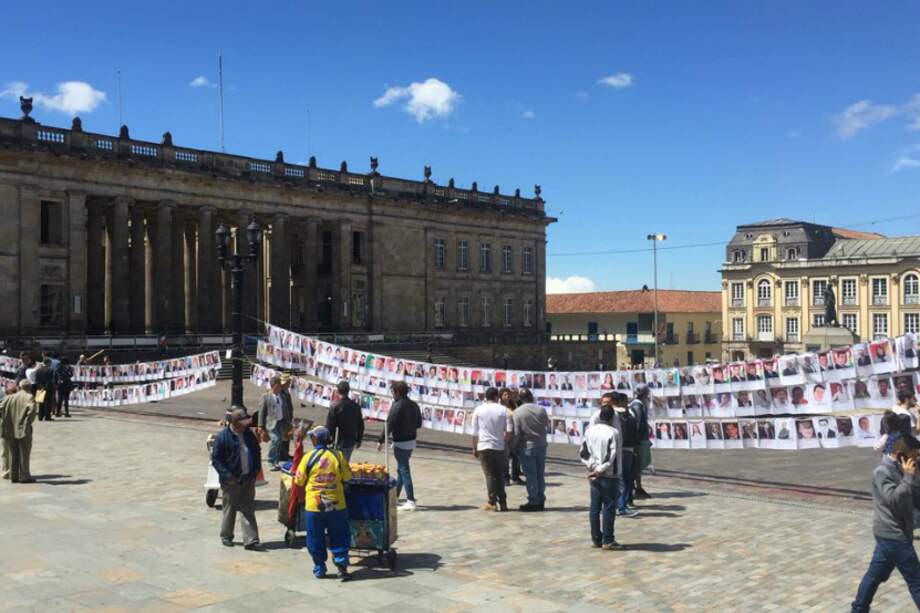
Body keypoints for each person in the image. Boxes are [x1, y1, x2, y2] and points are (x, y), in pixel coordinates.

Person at [851, 432, 920, 611]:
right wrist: (908, 477)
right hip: (893, 535)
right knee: (916, 581)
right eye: (913, 456)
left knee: (874, 576)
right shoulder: (882, 472)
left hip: (892, 534)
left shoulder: (903, 468)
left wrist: (913, 476)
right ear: (900, 454)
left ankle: (858, 609)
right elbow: (893, 499)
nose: (916, 460)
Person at [294, 426, 352, 580]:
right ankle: (342, 566)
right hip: (337, 505)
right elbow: (347, 477)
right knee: (340, 535)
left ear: (315, 439)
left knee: (315, 537)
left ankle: (319, 567)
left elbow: (298, 480)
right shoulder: (338, 456)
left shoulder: (308, 457)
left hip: (314, 506)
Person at [210, 409, 263, 550]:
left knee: (248, 508)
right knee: (230, 508)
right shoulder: (223, 437)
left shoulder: (248, 434)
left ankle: (251, 539)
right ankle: (226, 536)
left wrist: (255, 470)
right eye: (243, 421)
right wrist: (227, 476)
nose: (246, 424)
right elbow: (216, 459)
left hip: (248, 477)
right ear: (235, 423)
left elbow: (256, 451)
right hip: (230, 480)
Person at [581, 404, 624, 550]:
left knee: (595, 507)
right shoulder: (613, 432)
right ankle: (608, 540)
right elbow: (611, 456)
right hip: (609, 474)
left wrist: (592, 467)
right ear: (612, 418)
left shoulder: (589, 431)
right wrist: (599, 469)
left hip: (594, 473)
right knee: (609, 507)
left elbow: (583, 453)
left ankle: (596, 538)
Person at [377, 381, 422, 511]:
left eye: (392, 392)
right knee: (401, 470)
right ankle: (395, 497)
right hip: (411, 441)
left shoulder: (397, 405)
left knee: (404, 470)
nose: (392, 394)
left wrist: (381, 440)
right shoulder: (414, 405)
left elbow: (389, 424)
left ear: (397, 392)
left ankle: (410, 500)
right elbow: (419, 423)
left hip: (400, 442)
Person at [472, 387, 512, 512]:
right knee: (500, 475)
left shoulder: (478, 410)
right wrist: (504, 442)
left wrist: (474, 447)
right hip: (499, 446)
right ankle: (503, 502)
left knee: (490, 475)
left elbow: (474, 432)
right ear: (496, 397)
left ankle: (492, 502)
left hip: (484, 446)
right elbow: (509, 431)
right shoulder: (504, 410)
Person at [513, 388, 550, 511]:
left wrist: (513, 447)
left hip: (527, 446)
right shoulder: (541, 410)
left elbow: (516, 433)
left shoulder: (517, 412)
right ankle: (540, 498)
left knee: (531, 475)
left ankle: (533, 501)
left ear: (520, 399)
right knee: (540, 474)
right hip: (541, 445)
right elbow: (546, 425)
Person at [0, 380, 37, 483]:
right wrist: (28, 422)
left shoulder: (10, 397)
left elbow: (1, 408)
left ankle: (14, 475)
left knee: (13, 453)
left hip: (10, 429)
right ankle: (25, 476)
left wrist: (5, 420)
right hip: (23, 429)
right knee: (24, 453)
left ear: (19, 387)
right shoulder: (29, 397)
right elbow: (32, 411)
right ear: (29, 387)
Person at [614, 392, 642, 517]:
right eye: (625, 401)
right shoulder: (626, 414)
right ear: (620, 401)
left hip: (623, 448)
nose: (627, 403)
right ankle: (621, 506)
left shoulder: (623, 413)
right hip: (625, 448)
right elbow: (635, 430)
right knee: (625, 479)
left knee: (622, 478)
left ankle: (620, 505)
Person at [258, 375, 292, 470]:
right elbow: (262, 412)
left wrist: (289, 423)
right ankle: (270, 461)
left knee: (279, 441)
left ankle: (275, 462)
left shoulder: (282, 396)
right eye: (279, 384)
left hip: (281, 422)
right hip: (271, 423)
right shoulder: (266, 397)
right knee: (275, 439)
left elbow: (285, 410)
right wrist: (260, 425)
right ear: (274, 385)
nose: (281, 386)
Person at [326, 380, 364, 462]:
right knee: (345, 463)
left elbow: (329, 425)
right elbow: (360, 424)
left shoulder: (334, 406)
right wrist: (359, 439)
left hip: (337, 439)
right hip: (350, 439)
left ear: (338, 391)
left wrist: (327, 440)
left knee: (335, 463)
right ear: (348, 391)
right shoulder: (356, 406)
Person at [631, 385, 652, 502]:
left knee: (641, 463)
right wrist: (638, 440)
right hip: (640, 440)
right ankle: (636, 487)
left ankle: (638, 486)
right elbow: (637, 424)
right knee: (640, 462)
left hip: (642, 439)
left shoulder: (641, 405)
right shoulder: (637, 406)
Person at [500, 387, 524, 486]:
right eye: (505, 395)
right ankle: (506, 477)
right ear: (501, 396)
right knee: (505, 456)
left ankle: (515, 476)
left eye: (508, 394)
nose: (507, 396)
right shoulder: (499, 406)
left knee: (516, 455)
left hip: (514, 433)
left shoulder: (514, 405)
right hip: (504, 434)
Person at [33, 358, 53, 422]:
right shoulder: (50, 370)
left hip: (39, 387)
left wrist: (39, 387)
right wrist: (46, 387)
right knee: (48, 403)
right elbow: (50, 380)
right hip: (48, 388)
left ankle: (40, 416)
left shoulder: (38, 370)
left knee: (41, 403)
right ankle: (47, 416)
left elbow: (36, 379)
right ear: (48, 363)